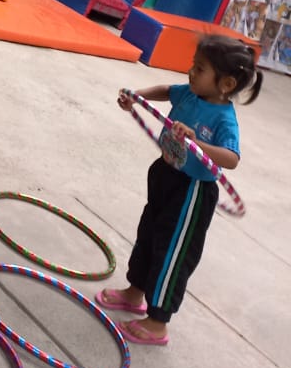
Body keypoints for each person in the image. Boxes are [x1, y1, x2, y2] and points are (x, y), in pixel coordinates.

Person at [97, 36, 261, 346]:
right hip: (165, 174)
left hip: (191, 191)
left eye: (199, 69)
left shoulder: (224, 119)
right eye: (193, 65)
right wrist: (137, 97)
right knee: (149, 235)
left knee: (172, 253)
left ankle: (158, 323)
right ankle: (135, 292)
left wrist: (196, 143)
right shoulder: (190, 93)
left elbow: (232, 158)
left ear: (226, 84)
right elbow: (166, 90)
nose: (190, 72)